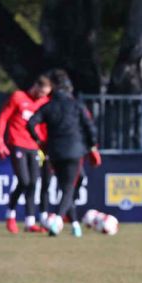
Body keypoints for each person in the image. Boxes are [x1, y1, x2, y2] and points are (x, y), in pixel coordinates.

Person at [27, 69, 101, 237]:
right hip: (74, 151)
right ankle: (58, 221)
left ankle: (75, 225)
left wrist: (40, 142)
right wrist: (93, 148)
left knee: (66, 187)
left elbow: (30, 123)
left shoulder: (47, 106)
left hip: (55, 152)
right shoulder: (76, 105)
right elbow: (90, 128)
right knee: (68, 189)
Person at [0, 74, 51, 234]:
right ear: (35, 87)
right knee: (24, 181)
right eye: (41, 93)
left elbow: (43, 127)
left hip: (34, 146)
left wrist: (46, 147)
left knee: (33, 183)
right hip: (17, 143)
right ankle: (10, 215)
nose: (42, 97)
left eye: (45, 95)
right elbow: (3, 118)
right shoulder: (18, 97)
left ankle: (30, 222)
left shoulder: (43, 103)